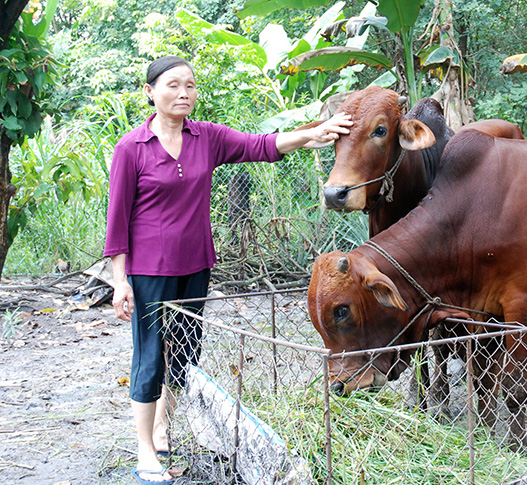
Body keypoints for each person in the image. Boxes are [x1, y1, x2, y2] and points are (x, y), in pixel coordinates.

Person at [104, 55, 352, 484]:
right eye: (172, 85)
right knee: (149, 357)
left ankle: (162, 427)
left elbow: (262, 145)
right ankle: (145, 449)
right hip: (149, 271)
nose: (183, 93)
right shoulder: (132, 147)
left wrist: (315, 133)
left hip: (196, 264)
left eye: (190, 85)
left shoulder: (207, 137)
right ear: (150, 92)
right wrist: (119, 280)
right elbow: (117, 218)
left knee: (185, 353)